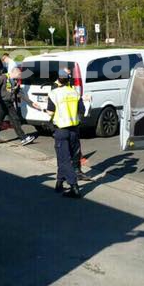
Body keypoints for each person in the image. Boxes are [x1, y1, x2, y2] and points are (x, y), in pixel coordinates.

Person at [46, 68, 85, 198]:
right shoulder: (74, 92)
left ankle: (74, 187)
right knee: (67, 158)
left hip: (61, 130)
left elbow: (50, 112)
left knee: (64, 159)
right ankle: (59, 183)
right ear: (68, 80)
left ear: (58, 79)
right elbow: (82, 111)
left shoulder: (54, 93)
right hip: (74, 130)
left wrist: (43, 110)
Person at [0, 67, 37, 145]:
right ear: (15, 73)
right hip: (1, 103)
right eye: (19, 75)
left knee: (15, 120)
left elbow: (21, 93)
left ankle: (23, 138)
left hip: (9, 104)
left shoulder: (16, 81)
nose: (20, 76)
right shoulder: (3, 77)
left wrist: (31, 103)